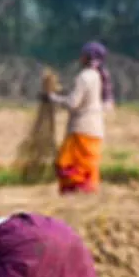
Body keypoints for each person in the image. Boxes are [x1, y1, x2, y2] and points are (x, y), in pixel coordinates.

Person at [47, 41, 114, 194]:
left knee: (69, 165)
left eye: (83, 55)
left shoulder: (84, 77)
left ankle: (77, 195)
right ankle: (87, 195)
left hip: (81, 128)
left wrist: (53, 98)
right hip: (95, 129)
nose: (80, 57)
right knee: (88, 166)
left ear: (87, 57)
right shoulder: (98, 75)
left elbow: (73, 103)